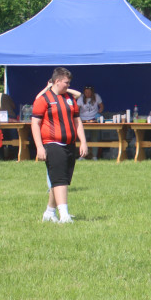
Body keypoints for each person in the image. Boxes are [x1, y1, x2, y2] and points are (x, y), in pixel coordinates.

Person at [32, 68, 88, 223]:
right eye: (66, 82)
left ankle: (49, 212)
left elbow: (77, 121)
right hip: (52, 143)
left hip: (69, 144)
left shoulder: (70, 99)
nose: (68, 85)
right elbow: (35, 123)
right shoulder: (43, 99)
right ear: (57, 81)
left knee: (60, 180)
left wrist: (83, 141)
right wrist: (39, 146)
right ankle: (64, 215)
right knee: (60, 179)